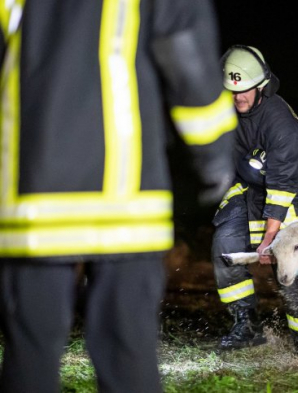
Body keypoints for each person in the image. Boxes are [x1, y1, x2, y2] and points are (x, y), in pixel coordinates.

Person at [0, 1, 236, 392]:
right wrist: (213, 154)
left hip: (29, 199)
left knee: (29, 351)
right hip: (125, 192)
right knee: (127, 349)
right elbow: (187, 59)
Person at [212, 45, 298, 354]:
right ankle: (245, 324)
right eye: (231, 92)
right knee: (225, 243)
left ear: (261, 86)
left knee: (286, 265)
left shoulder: (280, 122)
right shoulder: (227, 114)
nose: (238, 98)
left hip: (291, 193)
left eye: (244, 91)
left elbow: (283, 184)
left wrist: (269, 239)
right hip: (250, 190)